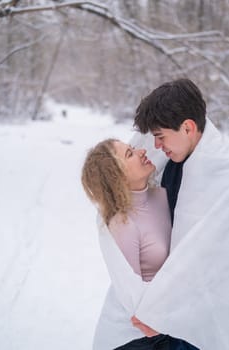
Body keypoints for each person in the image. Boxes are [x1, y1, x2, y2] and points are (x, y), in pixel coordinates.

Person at [128, 78, 229, 349]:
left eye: (161, 136)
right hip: (158, 300)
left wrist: (162, 309)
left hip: (195, 313)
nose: (157, 146)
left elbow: (209, 261)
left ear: (187, 127)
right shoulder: (170, 161)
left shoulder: (222, 177)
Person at [81, 139, 199, 350]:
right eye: (129, 154)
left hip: (166, 323)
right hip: (136, 335)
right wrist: (162, 320)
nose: (142, 151)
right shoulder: (122, 223)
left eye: (133, 148)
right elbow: (133, 294)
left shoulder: (158, 193)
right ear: (117, 176)